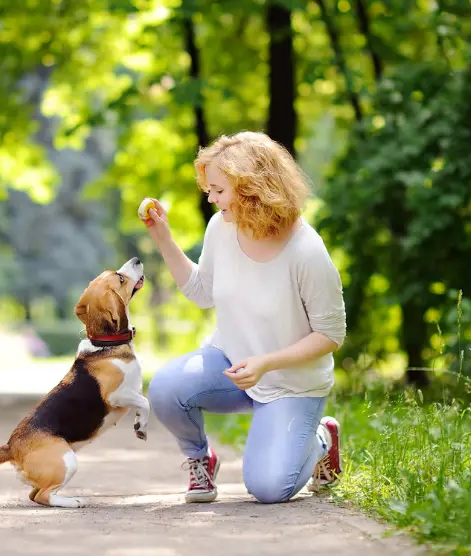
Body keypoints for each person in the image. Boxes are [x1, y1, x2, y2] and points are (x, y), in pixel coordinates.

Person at [141, 131, 346, 504]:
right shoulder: (222, 227)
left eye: (218, 189)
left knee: (269, 488)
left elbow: (331, 335)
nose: (210, 197)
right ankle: (200, 460)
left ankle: (321, 439)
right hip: (232, 365)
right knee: (166, 389)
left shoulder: (307, 251)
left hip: (290, 382)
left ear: (252, 188)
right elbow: (202, 292)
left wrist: (267, 363)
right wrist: (163, 238)